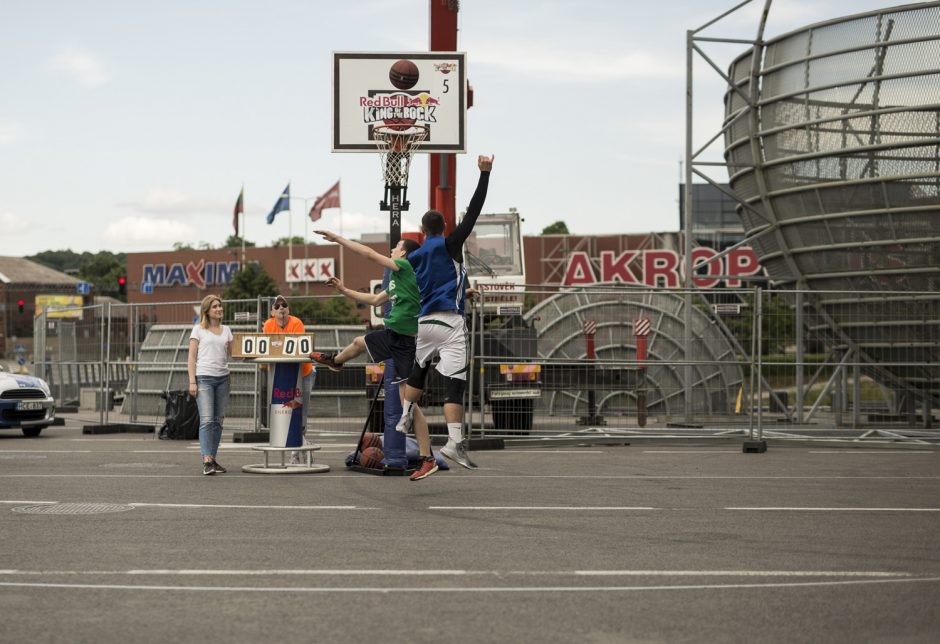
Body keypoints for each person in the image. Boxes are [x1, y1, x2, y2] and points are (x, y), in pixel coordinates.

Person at [396, 154, 494, 480]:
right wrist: (484, 174)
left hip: (425, 323)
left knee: (418, 370)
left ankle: (405, 414)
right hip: (450, 322)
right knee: (455, 386)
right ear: (445, 228)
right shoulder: (451, 245)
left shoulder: (414, 256)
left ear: (422, 230)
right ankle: (453, 442)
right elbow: (474, 211)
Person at [308, 232, 432, 473]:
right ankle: (335, 361)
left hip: (404, 343)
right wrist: (344, 290)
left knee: (410, 404)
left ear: (404, 253)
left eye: (396, 247)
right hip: (392, 336)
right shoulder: (398, 280)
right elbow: (375, 300)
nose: (392, 251)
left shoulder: (405, 267)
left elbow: (368, 254)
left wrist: (339, 239)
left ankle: (427, 457)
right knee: (357, 343)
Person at [263, 294, 315, 464]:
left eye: (284, 305)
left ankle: (299, 447)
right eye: (277, 306)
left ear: (288, 309)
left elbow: (297, 347)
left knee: (301, 411)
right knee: (284, 409)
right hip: (281, 375)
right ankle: (298, 447)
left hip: (303, 373)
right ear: (272, 311)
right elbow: (267, 348)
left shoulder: (296, 323)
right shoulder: (268, 325)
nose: (281, 308)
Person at [187, 294, 233, 475]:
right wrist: (192, 381)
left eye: (220, 306)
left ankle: (213, 458)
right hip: (204, 378)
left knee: (218, 421)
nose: (219, 309)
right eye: (215, 306)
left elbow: (234, 353)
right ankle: (206, 460)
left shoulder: (227, 330)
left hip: (223, 379)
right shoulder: (198, 330)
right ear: (207, 310)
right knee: (206, 420)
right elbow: (191, 357)